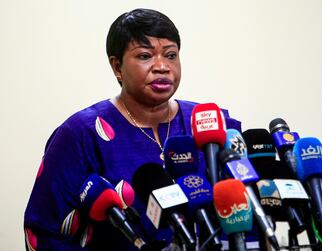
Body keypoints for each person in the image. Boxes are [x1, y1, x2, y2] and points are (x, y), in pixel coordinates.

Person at [24, 8, 258, 250]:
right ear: (117, 67)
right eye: (145, 56)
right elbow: (43, 233)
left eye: (170, 55)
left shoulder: (209, 123)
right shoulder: (81, 134)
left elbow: (245, 210)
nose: (162, 67)